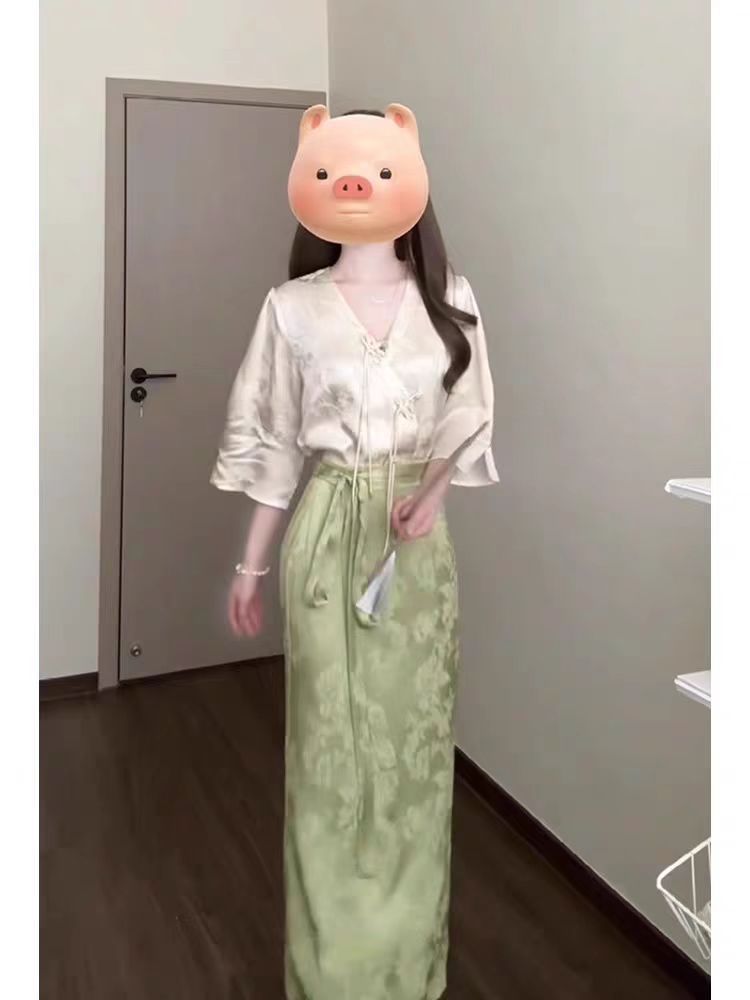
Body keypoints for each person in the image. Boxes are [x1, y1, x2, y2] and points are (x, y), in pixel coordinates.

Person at [211, 103, 498, 1000]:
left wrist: (434, 492)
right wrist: (251, 567)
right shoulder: (291, 307)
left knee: (415, 752)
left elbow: (471, 414)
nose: (355, 185)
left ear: (408, 177)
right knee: (328, 751)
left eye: (377, 170)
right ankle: (328, 972)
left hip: (418, 549)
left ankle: (407, 967)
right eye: (337, 170)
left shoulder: (451, 298)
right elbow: (273, 444)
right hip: (328, 532)